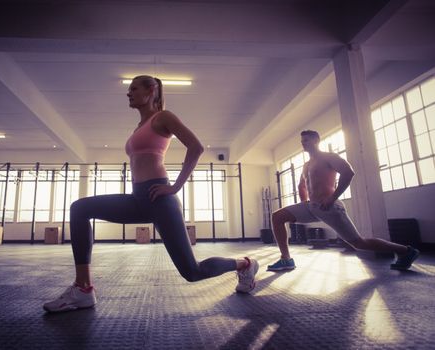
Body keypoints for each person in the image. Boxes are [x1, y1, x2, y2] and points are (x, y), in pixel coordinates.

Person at [43, 75, 259, 313]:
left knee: (192, 272)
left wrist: (175, 186)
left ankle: (245, 264)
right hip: (138, 199)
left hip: (160, 198)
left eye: (134, 88)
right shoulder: (139, 127)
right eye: (129, 89)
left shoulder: (163, 117)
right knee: (80, 208)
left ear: (152, 90)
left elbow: (195, 147)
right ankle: (83, 288)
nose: (129, 93)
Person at [267, 130, 419, 272]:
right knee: (277, 216)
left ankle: (406, 251)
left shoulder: (329, 157)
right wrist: (304, 201)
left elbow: (348, 173)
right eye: (302, 141)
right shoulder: (306, 165)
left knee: (359, 243)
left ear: (316, 141)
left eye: (306, 140)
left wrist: (333, 198)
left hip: (329, 207)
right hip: (311, 207)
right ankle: (286, 259)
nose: (303, 143)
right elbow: (302, 185)